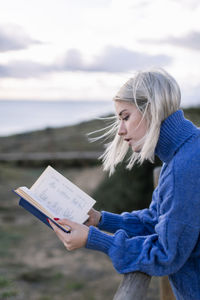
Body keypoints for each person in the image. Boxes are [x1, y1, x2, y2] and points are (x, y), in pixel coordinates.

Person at [49, 68, 200, 300]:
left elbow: (165, 254)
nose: (120, 131)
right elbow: (157, 220)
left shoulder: (185, 166)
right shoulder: (185, 152)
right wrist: (100, 220)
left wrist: (94, 239)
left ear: (151, 109)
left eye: (125, 117)